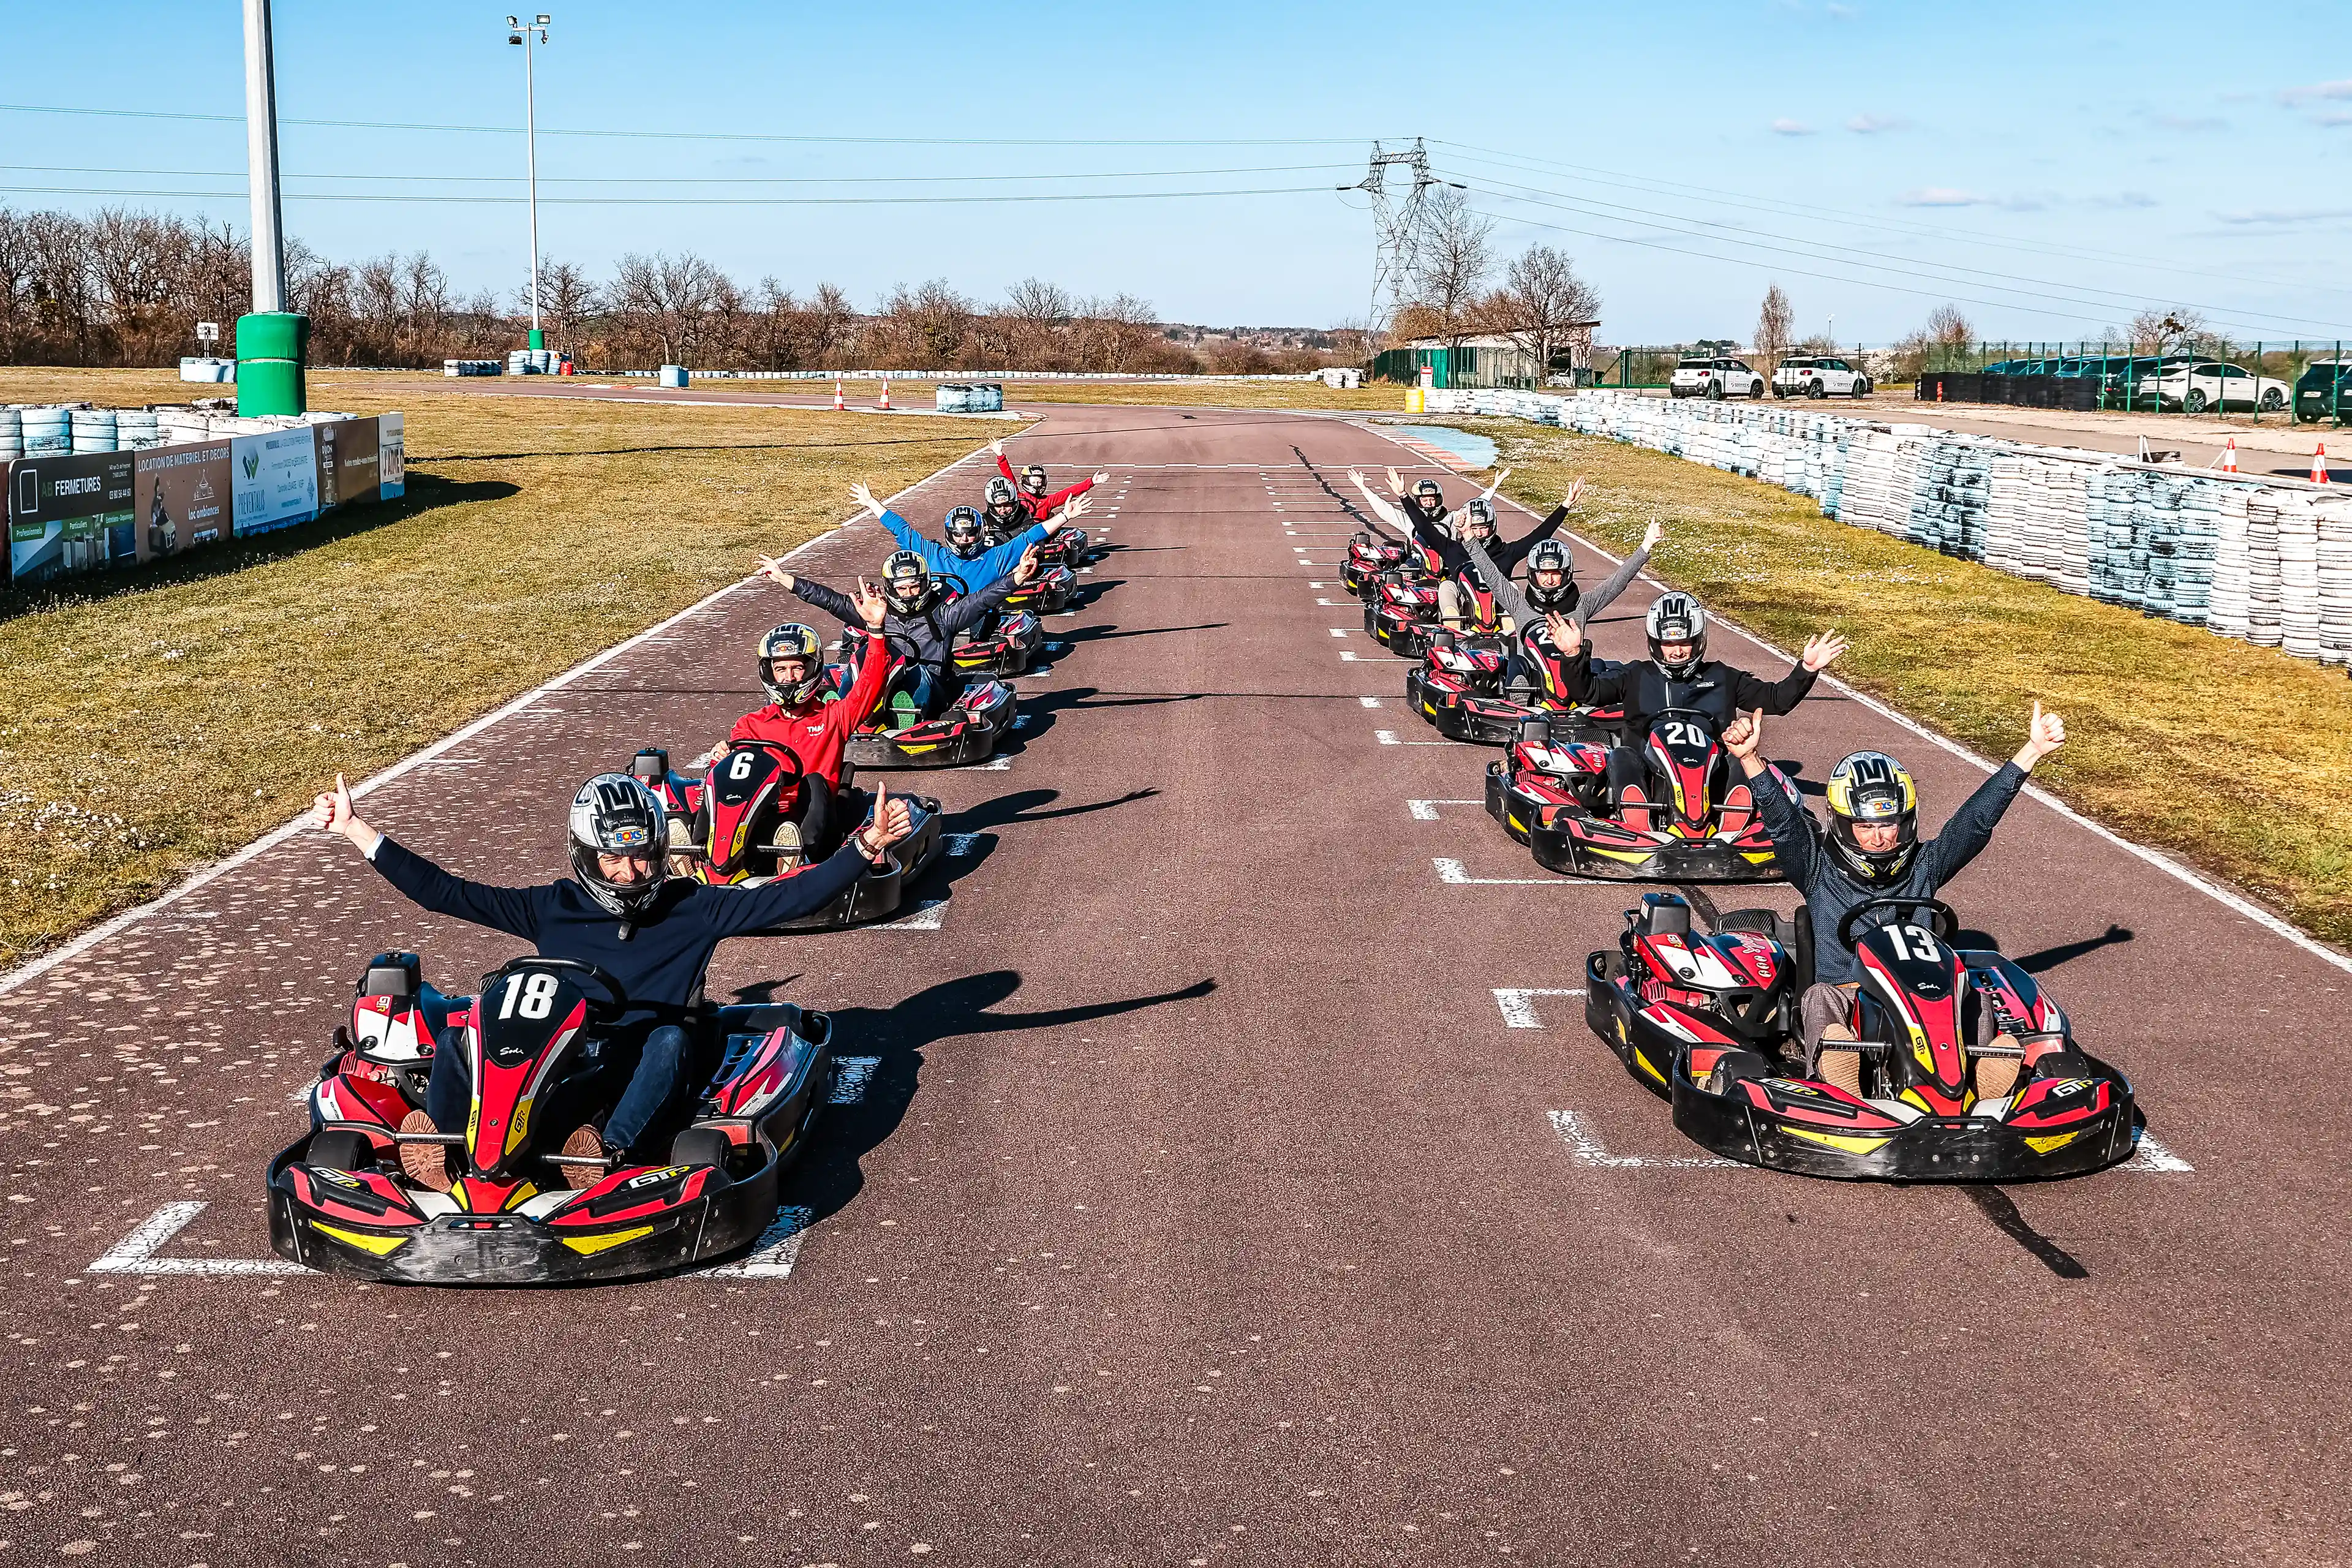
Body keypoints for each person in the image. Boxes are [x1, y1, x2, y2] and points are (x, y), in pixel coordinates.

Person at [307, 768, 916, 1188]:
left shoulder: (691, 905)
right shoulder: (553, 905)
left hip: (648, 1061)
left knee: (669, 1038)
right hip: (566, 1055)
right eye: (613, 857)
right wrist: (357, 830)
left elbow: (786, 899)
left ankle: (606, 1154)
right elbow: (446, 894)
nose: (629, 871)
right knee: (465, 1026)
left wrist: (862, 849)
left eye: (642, 855)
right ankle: (442, 1149)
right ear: (586, 854)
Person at [1722, 702, 2068, 1096]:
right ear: (1842, 825)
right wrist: (1750, 759)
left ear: (1906, 822)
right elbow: (1784, 825)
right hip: (1850, 998)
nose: (1879, 838)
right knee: (1819, 997)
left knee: (1971, 990)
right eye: (1865, 826)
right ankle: (1839, 1072)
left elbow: (1975, 823)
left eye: (1889, 824)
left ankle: (1988, 1074)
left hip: (1923, 997)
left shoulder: (1925, 865)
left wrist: (2031, 753)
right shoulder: (1818, 868)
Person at [1545, 592, 1848, 813]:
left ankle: (1734, 821)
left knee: (1741, 760)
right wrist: (1573, 656)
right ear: (1655, 643)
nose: (1677, 652)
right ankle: (1635, 815)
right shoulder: (1637, 675)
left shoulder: (1722, 677)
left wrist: (1806, 670)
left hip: (1711, 775)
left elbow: (1776, 700)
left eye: (1684, 643)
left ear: (1698, 641)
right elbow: (1588, 694)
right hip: (1650, 774)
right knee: (1622, 755)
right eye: (1669, 644)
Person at [695, 584, 891, 863]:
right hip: (759, 819)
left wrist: (876, 631)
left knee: (814, 782)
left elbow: (870, 685)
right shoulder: (750, 725)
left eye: (797, 667)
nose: (789, 677)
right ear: (769, 672)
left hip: (817, 822)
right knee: (717, 778)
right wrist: (722, 759)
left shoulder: (834, 716)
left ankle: (802, 859)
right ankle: (701, 854)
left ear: (811, 669)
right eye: (781, 669)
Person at [755, 545, 1039, 726]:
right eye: (902, 588)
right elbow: (830, 601)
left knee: (913, 671)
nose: (909, 593)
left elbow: (982, 600)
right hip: (879, 682)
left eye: (915, 586)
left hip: (931, 686)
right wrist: (786, 579)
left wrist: (1017, 578)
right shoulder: (877, 613)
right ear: (890, 587)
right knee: (864, 654)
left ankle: (906, 716)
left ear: (926, 585)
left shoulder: (945, 614)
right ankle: (843, 715)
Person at [1467, 521, 1662, 695]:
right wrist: (1469, 538)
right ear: (1533, 575)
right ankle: (1519, 699)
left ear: (1566, 574)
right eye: (1543, 573)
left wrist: (1645, 547)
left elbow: (1616, 584)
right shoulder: (1519, 603)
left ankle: (1588, 699)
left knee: (1597, 665)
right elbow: (1492, 575)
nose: (1549, 580)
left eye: (1556, 573)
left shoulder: (1581, 604)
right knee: (1517, 662)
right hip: (1533, 681)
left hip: (1572, 677)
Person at [851, 479, 1073, 587]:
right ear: (950, 534)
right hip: (940, 621)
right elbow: (901, 530)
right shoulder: (933, 554)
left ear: (980, 534)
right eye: (959, 535)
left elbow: (1030, 537)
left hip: (977, 619)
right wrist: (872, 503)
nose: (964, 540)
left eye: (969, 534)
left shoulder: (993, 558)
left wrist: (1064, 516)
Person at [990, 438, 1108, 524]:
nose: (1037, 485)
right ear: (1026, 481)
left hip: (1041, 536)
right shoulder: (1019, 497)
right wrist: (1000, 456)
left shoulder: (1048, 501)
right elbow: (1009, 477)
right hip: (1021, 535)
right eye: (1033, 481)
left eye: (1039, 482)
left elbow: (1069, 493)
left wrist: (1091, 482)